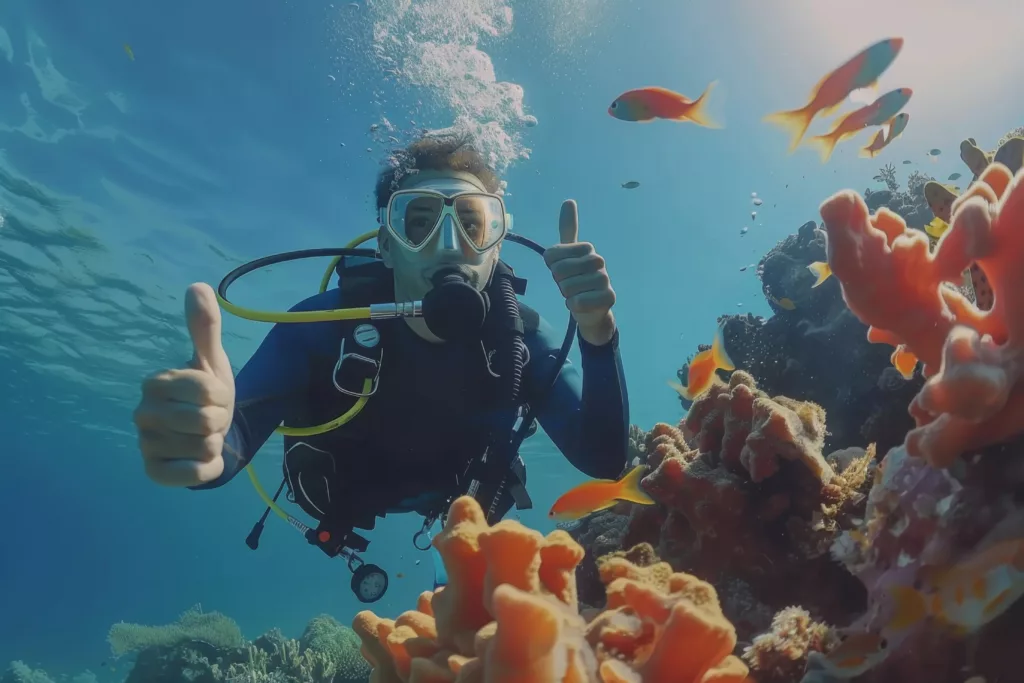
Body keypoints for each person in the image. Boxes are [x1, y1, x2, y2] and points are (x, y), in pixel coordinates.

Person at [133, 134, 629, 572]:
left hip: (459, 497)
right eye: (420, 223)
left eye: (475, 225)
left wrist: (597, 334)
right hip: (341, 495)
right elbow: (228, 440)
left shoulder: (519, 339)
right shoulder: (320, 328)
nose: (450, 246)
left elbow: (604, 458)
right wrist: (203, 441)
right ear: (387, 245)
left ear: (496, 246)